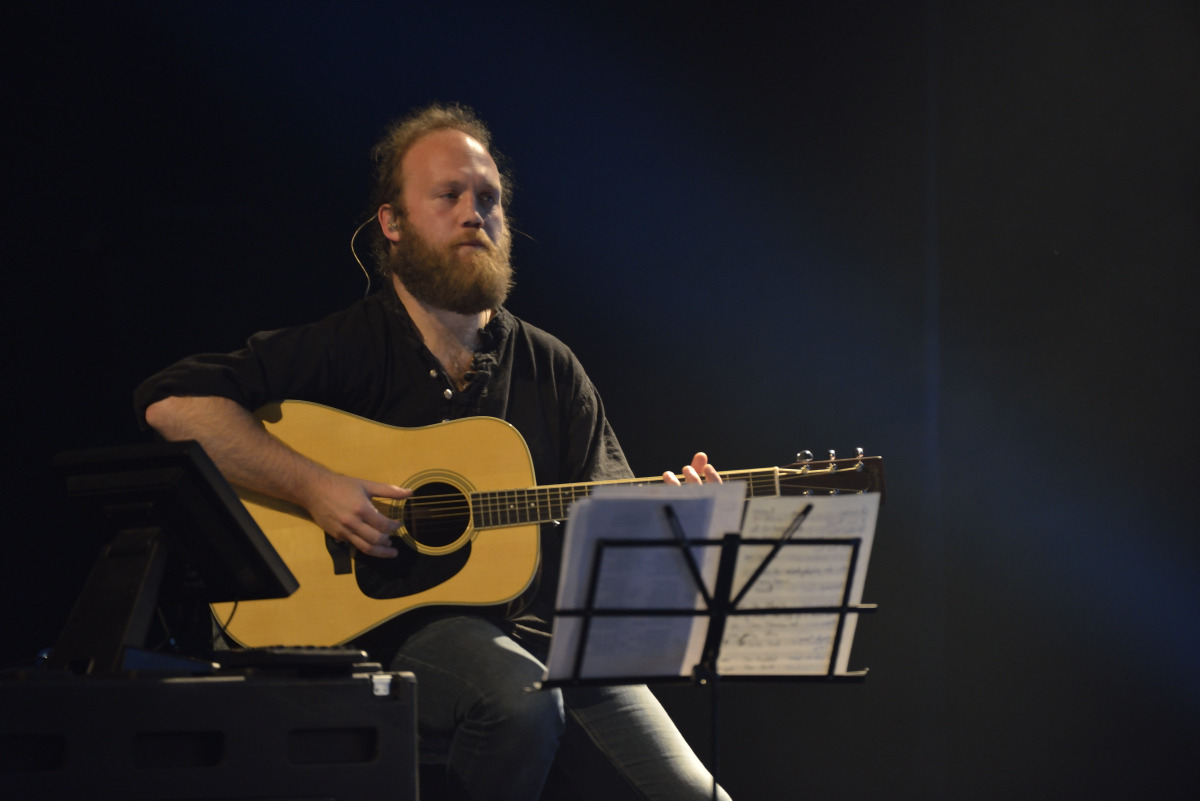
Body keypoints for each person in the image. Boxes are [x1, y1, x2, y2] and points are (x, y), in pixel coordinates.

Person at [136, 103, 731, 801]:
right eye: (449, 195)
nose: (474, 213)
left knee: (697, 794)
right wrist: (315, 486)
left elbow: (609, 523)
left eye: (490, 200)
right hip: (391, 630)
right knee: (518, 702)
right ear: (392, 224)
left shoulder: (548, 365)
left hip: (545, 642)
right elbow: (172, 406)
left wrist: (672, 516)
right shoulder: (346, 347)